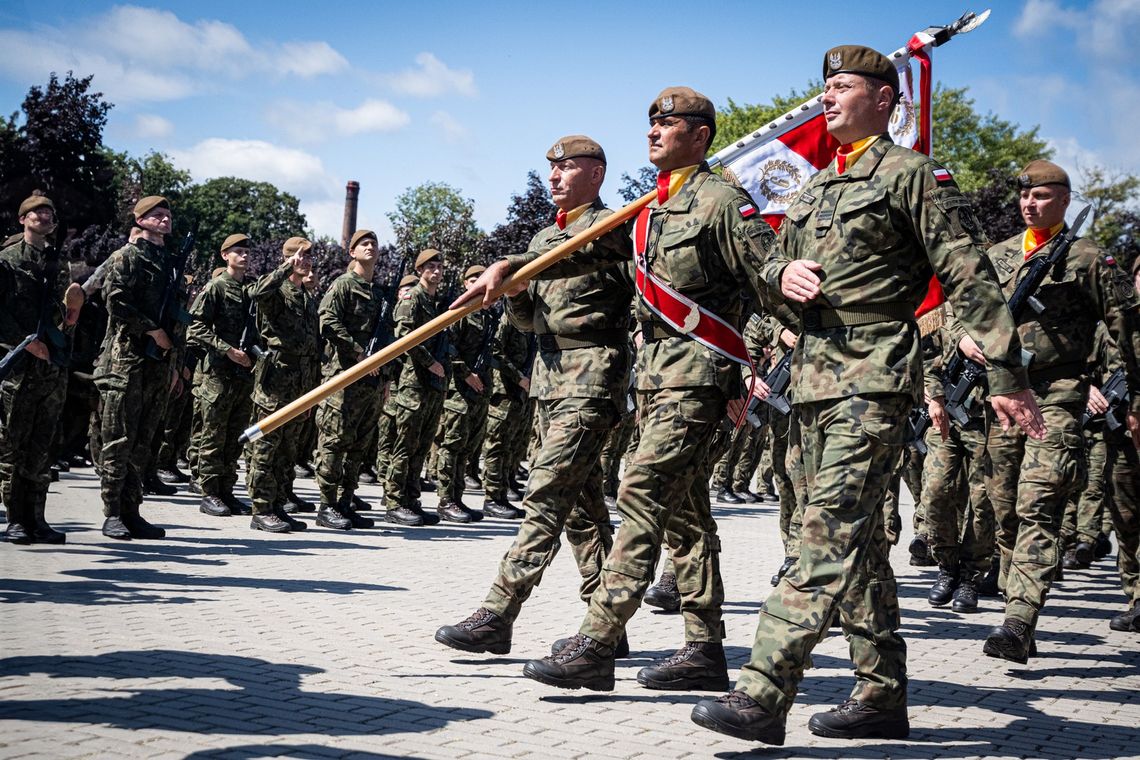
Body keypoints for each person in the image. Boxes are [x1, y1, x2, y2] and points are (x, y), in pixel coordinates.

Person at [689, 46, 1043, 745]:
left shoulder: (910, 176)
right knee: (857, 547)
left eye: (844, 86)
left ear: (885, 100)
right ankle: (880, 694)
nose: (828, 97)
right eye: (825, 87)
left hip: (874, 374)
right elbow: (766, 274)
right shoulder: (815, 189)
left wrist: (1006, 374)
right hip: (813, 381)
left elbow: (968, 275)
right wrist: (781, 273)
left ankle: (762, 692)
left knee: (822, 534)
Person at [435, 135, 632, 656]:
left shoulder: (613, 230)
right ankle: (607, 629)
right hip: (549, 381)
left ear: (596, 173)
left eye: (566, 167)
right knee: (582, 512)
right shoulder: (545, 238)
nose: (554, 177)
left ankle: (498, 611)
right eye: (551, 169)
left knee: (545, 493)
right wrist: (516, 296)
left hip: (593, 377)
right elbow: (530, 323)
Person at [980, 160, 1140, 661]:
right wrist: (963, 342)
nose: (1031, 204)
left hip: (1058, 395)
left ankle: (1019, 620)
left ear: (1065, 201)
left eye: (1043, 196)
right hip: (1003, 394)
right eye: (1025, 197)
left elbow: (1127, 330)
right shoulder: (998, 256)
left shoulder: (1089, 258)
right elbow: (967, 315)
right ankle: (1016, 601)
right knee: (1004, 508)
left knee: (1039, 502)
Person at [95, 196, 190, 540]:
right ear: (140, 220)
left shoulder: (170, 264)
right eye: (157, 216)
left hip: (158, 365)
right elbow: (115, 301)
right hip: (126, 361)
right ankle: (113, 513)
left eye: (167, 216)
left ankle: (133, 510)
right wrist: (152, 330)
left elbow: (178, 321)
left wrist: (176, 365)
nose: (165, 220)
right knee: (118, 438)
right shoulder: (127, 256)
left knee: (143, 441)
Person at [1, 192, 81, 544]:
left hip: (52, 365)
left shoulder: (57, 262)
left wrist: (73, 314)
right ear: (23, 219)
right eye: (37, 212)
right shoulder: (8, 260)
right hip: (20, 362)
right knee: (12, 445)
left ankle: (37, 518)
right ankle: (15, 519)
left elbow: (64, 317)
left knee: (43, 446)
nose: (45, 216)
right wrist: (25, 340)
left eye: (49, 212)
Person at [244, 236, 321, 533]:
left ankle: (278, 504)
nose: (306, 260)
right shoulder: (278, 291)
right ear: (288, 258)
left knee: (288, 450)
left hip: (300, 382)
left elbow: (313, 348)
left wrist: (312, 391)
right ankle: (261, 509)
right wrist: (283, 268)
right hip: (276, 379)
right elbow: (258, 291)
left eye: (309, 256)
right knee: (266, 447)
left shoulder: (306, 297)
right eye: (300, 256)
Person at [188, 234, 257, 520]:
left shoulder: (250, 290)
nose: (244, 256)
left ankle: (227, 491)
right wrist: (226, 349)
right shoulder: (216, 287)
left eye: (246, 252)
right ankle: (209, 493)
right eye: (237, 252)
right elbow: (196, 327)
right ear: (224, 256)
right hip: (217, 373)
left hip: (242, 375)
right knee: (213, 435)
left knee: (234, 437)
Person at [383, 249, 448, 525]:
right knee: (405, 444)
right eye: (430, 266)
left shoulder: (436, 301)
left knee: (421, 445)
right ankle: (395, 501)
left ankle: (411, 498)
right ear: (420, 270)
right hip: (413, 382)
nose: (436, 271)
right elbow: (404, 336)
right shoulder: (413, 298)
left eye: (439, 266)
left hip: (431, 385)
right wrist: (431, 362)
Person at [433, 264, 495, 522]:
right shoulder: (460, 312)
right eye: (471, 280)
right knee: (452, 446)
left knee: (467, 448)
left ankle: (457, 498)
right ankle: (446, 500)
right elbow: (448, 349)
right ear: (465, 283)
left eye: (479, 279)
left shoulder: (488, 315)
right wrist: (467, 374)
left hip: (479, 392)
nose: (475, 283)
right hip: (460, 390)